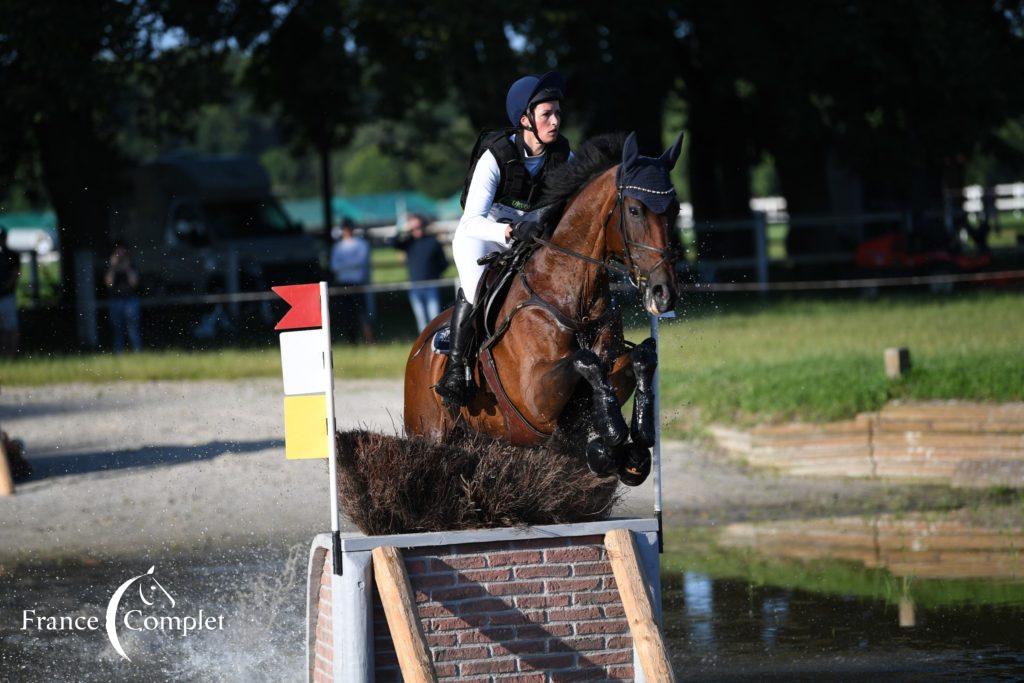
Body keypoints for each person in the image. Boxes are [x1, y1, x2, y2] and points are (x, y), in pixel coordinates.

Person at [436, 71, 572, 408]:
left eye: (557, 113)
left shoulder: (563, 155)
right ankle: (457, 367)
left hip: (531, 237)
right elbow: (471, 220)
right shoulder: (494, 157)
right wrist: (507, 232)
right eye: (546, 115)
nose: (555, 121)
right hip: (483, 235)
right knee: (477, 286)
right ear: (525, 120)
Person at [391, 214, 449, 332]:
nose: (416, 230)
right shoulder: (408, 242)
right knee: (421, 320)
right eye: (413, 228)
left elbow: (444, 263)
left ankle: (436, 345)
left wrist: (434, 275)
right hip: (415, 286)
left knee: (435, 319)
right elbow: (392, 243)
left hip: (432, 285)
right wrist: (403, 229)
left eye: (418, 226)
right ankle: (424, 347)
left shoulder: (433, 242)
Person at [330, 217, 375, 344]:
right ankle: (352, 341)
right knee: (347, 313)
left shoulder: (361, 244)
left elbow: (360, 262)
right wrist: (350, 265)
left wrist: (344, 265)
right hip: (344, 283)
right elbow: (334, 266)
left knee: (363, 313)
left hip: (357, 282)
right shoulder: (338, 246)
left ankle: (369, 340)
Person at [104, 241, 142, 353]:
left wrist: (127, 267)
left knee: (133, 329)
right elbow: (108, 283)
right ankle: (118, 352)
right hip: (116, 300)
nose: (120, 255)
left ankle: (137, 351)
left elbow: (134, 283)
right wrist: (112, 267)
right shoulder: (111, 267)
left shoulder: (131, 266)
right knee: (117, 329)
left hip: (130, 300)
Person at [0, 228, 21, 357]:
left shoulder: (11, 254)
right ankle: (3, 353)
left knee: (10, 326)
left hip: (7, 295)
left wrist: (6, 286)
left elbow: (15, 273)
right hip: (4, 293)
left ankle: (11, 353)